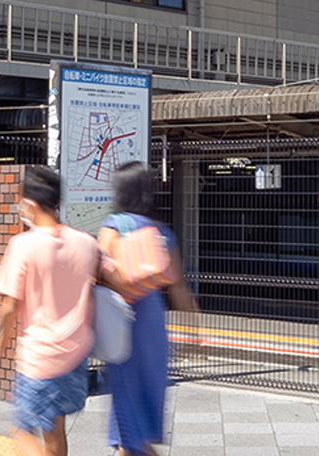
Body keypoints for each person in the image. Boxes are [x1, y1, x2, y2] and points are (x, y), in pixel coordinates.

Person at [0, 167, 99, 456]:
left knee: (21, 431)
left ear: (32, 205)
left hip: (40, 356)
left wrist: (1, 340)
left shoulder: (23, 245)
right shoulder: (87, 242)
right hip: (77, 351)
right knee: (55, 431)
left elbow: (10, 306)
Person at [98, 162, 198, 456]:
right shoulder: (163, 232)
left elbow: (101, 273)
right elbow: (179, 287)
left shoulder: (113, 227)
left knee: (130, 430)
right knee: (134, 427)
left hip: (123, 327)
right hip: (154, 328)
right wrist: (194, 331)